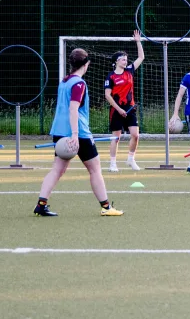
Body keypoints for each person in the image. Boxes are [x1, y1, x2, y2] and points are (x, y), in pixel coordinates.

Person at [35, 48, 122, 216]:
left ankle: (41, 204)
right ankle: (106, 207)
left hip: (59, 132)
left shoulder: (64, 81)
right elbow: (73, 108)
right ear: (86, 64)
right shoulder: (79, 83)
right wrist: (75, 134)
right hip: (78, 133)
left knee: (57, 170)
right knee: (95, 169)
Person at [104, 30, 145, 172]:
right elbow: (107, 95)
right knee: (116, 137)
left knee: (135, 135)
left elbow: (141, 57)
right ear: (116, 61)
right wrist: (119, 109)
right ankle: (113, 163)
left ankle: (130, 159)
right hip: (116, 109)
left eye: (126, 59)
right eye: (122, 59)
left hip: (130, 108)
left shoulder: (130, 71)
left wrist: (138, 41)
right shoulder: (111, 77)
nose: (125, 61)